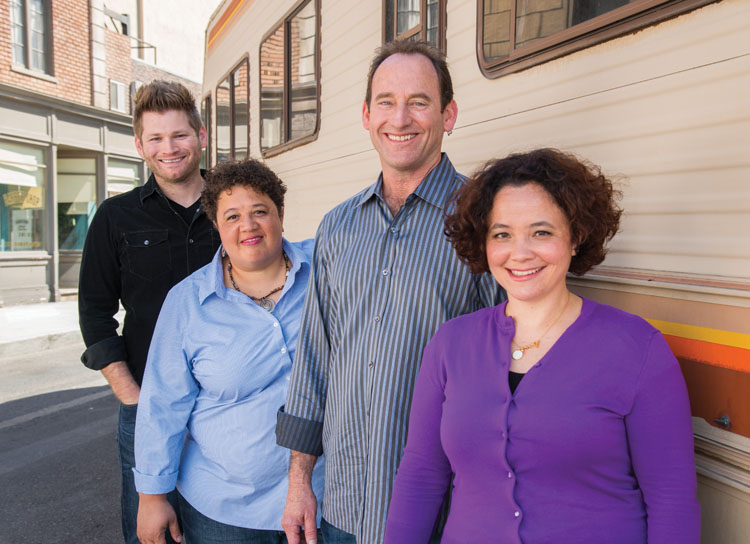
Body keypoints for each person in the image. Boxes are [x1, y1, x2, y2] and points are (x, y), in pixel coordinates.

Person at [384, 148, 700, 543]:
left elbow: (672, 500)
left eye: (542, 232)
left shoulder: (637, 348)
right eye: (502, 234)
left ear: (576, 236)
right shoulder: (451, 344)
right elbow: (421, 475)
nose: (520, 253)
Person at [276, 41, 504, 544]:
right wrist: (299, 483)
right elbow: (315, 360)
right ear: (365, 114)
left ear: (449, 114)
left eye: (419, 102)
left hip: (440, 512)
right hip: (342, 506)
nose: (400, 118)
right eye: (385, 101)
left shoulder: (486, 221)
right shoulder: (337, 227)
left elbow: (509, 370)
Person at [134, 159, 325, 544]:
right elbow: (162, 403)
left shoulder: (326, 268)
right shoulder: (187, 303)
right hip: (225, 510)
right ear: (217, 225)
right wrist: (152, 497)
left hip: (325, 495)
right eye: (232, 216)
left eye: (260, 211)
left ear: (281, 214)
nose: (248, 226)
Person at [78, 80, 220, 544]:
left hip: (227, 404)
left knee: (221, 528)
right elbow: (96, 314)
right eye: (156, 138)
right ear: (139, 145)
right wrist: (133, 399)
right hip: (148, 403)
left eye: (179, 135)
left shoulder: (233, 208)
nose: (169, 148)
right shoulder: (115, 217)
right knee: (153, 532)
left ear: (201, 134)